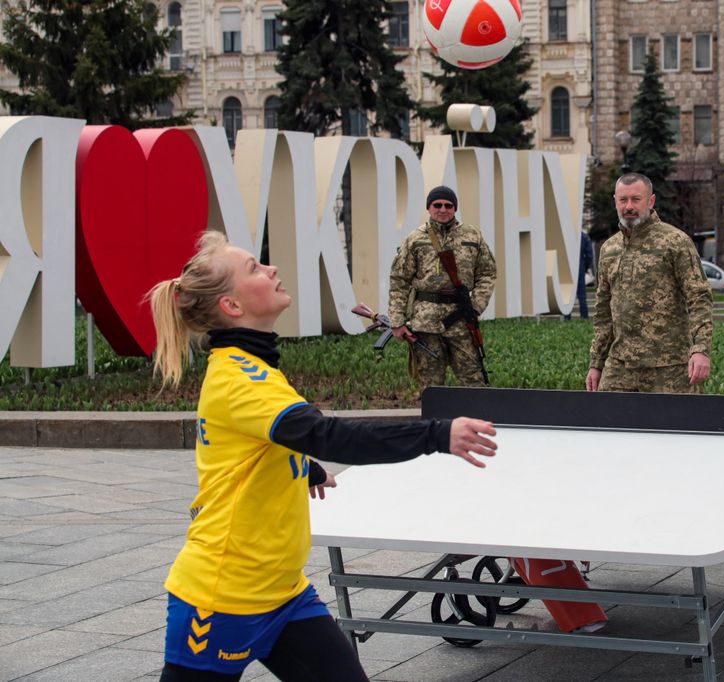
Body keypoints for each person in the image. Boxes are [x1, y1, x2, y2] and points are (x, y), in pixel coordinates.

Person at [148, 231, 498, 681]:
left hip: (283, 593)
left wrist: (303, 468)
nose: (271, 269)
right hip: (222, 596)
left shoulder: (254, 367)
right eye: (255, 268)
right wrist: (437, 433)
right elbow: (330, 436)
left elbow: (258, 445)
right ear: (232, 306)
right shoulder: (239, 379)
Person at [586, 173, 714, 393]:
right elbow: (603, 312)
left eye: (636, 199)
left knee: (677, 426)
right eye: (623, 200)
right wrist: (596, 363)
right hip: (620, 367)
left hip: (669, 367)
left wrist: (700, 350)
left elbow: (699, 298)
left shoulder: (675, 242)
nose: (629, 206)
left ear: (651, 201)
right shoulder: (609, 249)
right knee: (609, 424)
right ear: (615, 201)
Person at [388, 185, 497, 391]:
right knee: (430, 386)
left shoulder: (472, 236)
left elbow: (487, 273)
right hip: (425, 321)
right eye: (437, 205)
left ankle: (476, 421)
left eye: (448, 205)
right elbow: (399, 280)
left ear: (455, 208)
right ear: (429, 208)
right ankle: (434, 423)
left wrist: (476, 306)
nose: (443, 209)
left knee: (473, 378)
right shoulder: (415, 239)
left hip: (461, 319)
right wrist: (397, 321)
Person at [564, 230, 595, 320]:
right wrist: (584, 267)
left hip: (567, 268)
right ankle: (584, 318)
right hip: (579, 268)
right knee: (582, 295)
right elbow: (589, 255)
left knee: (567, 296)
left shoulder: (566, 235)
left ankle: (567, 318)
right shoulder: (584, 236)